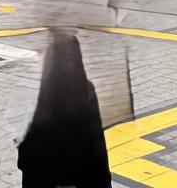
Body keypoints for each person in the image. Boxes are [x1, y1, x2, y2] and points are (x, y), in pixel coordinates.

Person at [16, 29, 111, 188]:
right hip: (81, 170)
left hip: (43, 172)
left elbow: (27, 141)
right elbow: (96, 142)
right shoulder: (86, 91)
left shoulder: (37, 92)